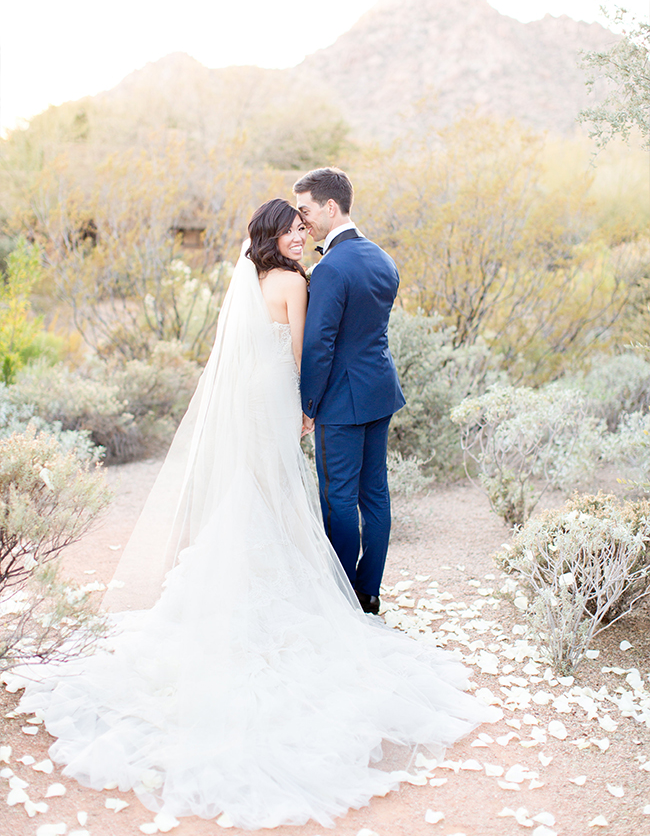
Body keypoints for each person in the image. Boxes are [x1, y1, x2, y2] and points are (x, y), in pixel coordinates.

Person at [11, 199, 496, 830]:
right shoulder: (295, 281)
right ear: (277, 236)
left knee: (255, 489)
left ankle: (235, 581)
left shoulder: (254, 277)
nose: (302, 237)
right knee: (278, 490)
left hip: (248, 393)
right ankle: (302, 589)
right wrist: (305, 409)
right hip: (278, 394)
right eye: (294, 231)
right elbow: (302, 351)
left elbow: (253, 352)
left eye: (304, 228)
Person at [295, 168, 404, 616]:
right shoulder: (383, 259)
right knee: (374, 494)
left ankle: (340, 594)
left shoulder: (329, 269)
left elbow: (319, 346)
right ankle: (369, 592)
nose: (303, 222)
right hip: (380, 391)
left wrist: (308, 405)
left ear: (330, 207)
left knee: (338, 497)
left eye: (305, 211)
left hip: (341, 400)